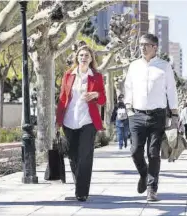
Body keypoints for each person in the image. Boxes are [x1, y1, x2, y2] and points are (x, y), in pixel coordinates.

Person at [124, 34, 179, 202]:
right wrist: (128, 108)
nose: (143, 47)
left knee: (153, 152)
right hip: (137, 115)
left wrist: (175, 115)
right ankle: (144, 174)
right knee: (135, 151)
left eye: (147, 44)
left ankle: (151, 188)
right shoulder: (134, 66)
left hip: (158, 115)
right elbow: (128, 87)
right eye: (141, 44)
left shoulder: (164, 67)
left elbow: (171, 91)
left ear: (155, 47)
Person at [56, 45, 106, 202]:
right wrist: (58, 121)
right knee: (72, 156)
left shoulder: (96, 77)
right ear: (77, 58)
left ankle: (82, 192)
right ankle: (79, 184)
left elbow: (103, 99)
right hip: (69, 121)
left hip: (88, 121)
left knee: (85, 156)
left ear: (91, 59)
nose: (83, 58)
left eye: (87, 55)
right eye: (81, 55)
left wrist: (96, 94)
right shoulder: (68, 75)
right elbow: (63, 98)